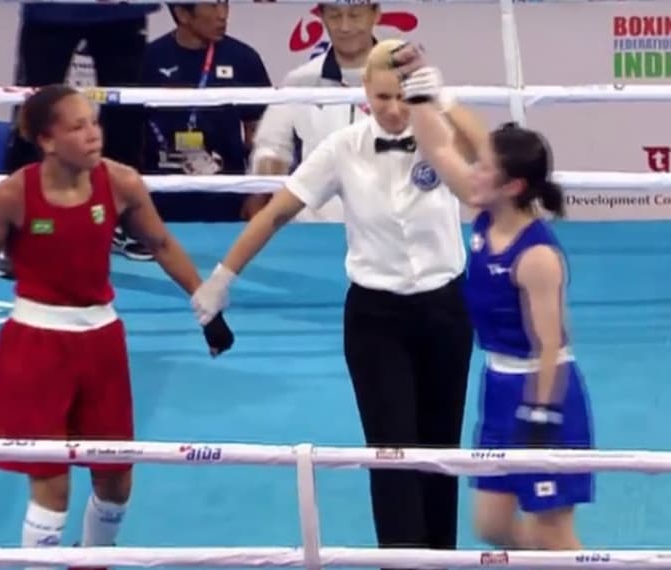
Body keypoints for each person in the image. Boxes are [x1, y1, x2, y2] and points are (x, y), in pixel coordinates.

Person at [189, 39, 479, 559]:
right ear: (366, 92)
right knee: (391, 452)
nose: (393, 109)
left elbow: (490, 163)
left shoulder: (439, 137)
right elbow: (276, 212)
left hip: (445, 311)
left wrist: (446, 101)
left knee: (440, 451)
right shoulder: (342, 147)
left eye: (402, 96)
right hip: (376, 320)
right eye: (383, 96)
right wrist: (221, 277)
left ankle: (442, 557)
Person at [0, 84, 235, 565]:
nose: (93, 134)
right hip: (34, 346)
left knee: (116, 479)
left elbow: (160, 244)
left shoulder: (121, 183)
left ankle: (95, 558)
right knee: (51, 484)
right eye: (77, 127)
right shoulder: (12, 195)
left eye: (93, 123)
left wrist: (207, 309)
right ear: (47, 140)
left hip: (101, 343)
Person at [393, 44, 594, 549]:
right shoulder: (486, 211)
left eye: (484, 168)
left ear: (514, 185)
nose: (472, 171)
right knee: (492, 526)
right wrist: (419, 87)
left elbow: (549, 344)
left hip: (545, 394)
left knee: (553, 531)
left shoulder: (537, 257)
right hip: (497, 385)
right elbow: (440, 149)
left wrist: (541, 414)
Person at [0, 2, 162, 275]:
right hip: (52, 10)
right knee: (35, 110)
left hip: (122, 11)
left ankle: (127, 220)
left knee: (126, 113)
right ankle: (16, 226)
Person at [121, 0, 271, 259]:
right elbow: (130, 136)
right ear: (182, 14)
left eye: (225, 4)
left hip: (227, 203)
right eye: (212, 7)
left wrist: (257, 194)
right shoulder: (148, 59)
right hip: (160, 203)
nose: (222, 15)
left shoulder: (244, 58)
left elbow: (261, 133)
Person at [250, 3, 382, 222]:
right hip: (314, 227)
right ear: (321, 16)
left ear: (375, 14)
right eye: (335, 16)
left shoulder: (403, 76)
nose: (345, 27)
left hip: (389, 229)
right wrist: (268, 182)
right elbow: (270, 146)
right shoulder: (300, 80)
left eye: (355, 15)